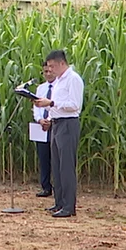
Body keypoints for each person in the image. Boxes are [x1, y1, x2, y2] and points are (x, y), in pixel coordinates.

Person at [33, 50, 84, 218]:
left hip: (68, 123)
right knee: (56, 165)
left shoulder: (73, 79)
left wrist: (52, 102)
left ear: (62, 63)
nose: (51, 70)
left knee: (66, 166)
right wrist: (43, 105)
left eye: (53, 66)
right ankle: (59, 202)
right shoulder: (59, 82)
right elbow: (56, 105)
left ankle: (69, 206)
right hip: (56, 123)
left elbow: (74, 105)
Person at [32, 64, 56, 201]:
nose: (48, 74)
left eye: (50, 71)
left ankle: (58, 187)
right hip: (41, 127)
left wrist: (49, 120)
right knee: (43, 157)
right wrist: (40, 119)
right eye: (45, 72)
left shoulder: (59, 87)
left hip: (54, 125)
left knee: (56, 158)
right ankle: (46, 187)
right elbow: (36, 107)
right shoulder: (40, 88)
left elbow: (56, 104)